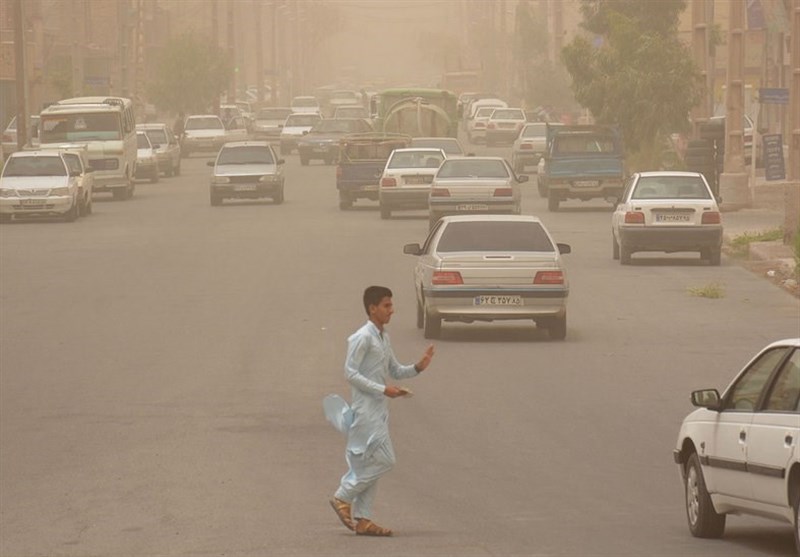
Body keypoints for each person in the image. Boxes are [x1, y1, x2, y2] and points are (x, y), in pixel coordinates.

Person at [329, 286, 435, 537]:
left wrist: (418, 367)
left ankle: (364, 519)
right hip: (365, 412)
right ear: (372, 308)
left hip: (379, 410)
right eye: (386, 305)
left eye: (391, 305)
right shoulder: (361, 337)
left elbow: (395, 370)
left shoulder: (383, 337)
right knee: (386, 460)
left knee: (370, 463)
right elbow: (350, 373)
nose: (392, 310)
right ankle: (343, 496)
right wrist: (381, 389)